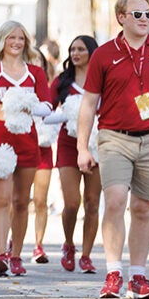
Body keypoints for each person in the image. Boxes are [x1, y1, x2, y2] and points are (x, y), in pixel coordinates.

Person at [77, 0, 149, 299]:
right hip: (114, 137)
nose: (144, 19)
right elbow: (88, 104)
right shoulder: (103, 54)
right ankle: (113, 273)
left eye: (148, 14)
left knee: (142, 208)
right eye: (137, 14)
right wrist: (82, 147)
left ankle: (138, 277)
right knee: (114, 200)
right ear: (122, 18)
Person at [0, 20, 51, 277]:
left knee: (21, 202)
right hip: (1, 142)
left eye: (21, 39)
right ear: (2, 41)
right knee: (1, 200)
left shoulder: (36, 73)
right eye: (12, 38)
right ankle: (0, 254)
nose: (16, 43)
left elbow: (46, 107)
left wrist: (27, 103)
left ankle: (17, 254)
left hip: (28, 142)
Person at [49, 35, 101, 274]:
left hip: (98, 145)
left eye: (81, 49)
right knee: (72, 202)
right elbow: (46, 108)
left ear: (92, 51)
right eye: (72, 49)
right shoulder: (63, 81)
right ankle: (69, 243)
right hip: (68, 145)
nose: (75, 53)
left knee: (92, 202)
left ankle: (87, 255)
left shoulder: (103, 78)